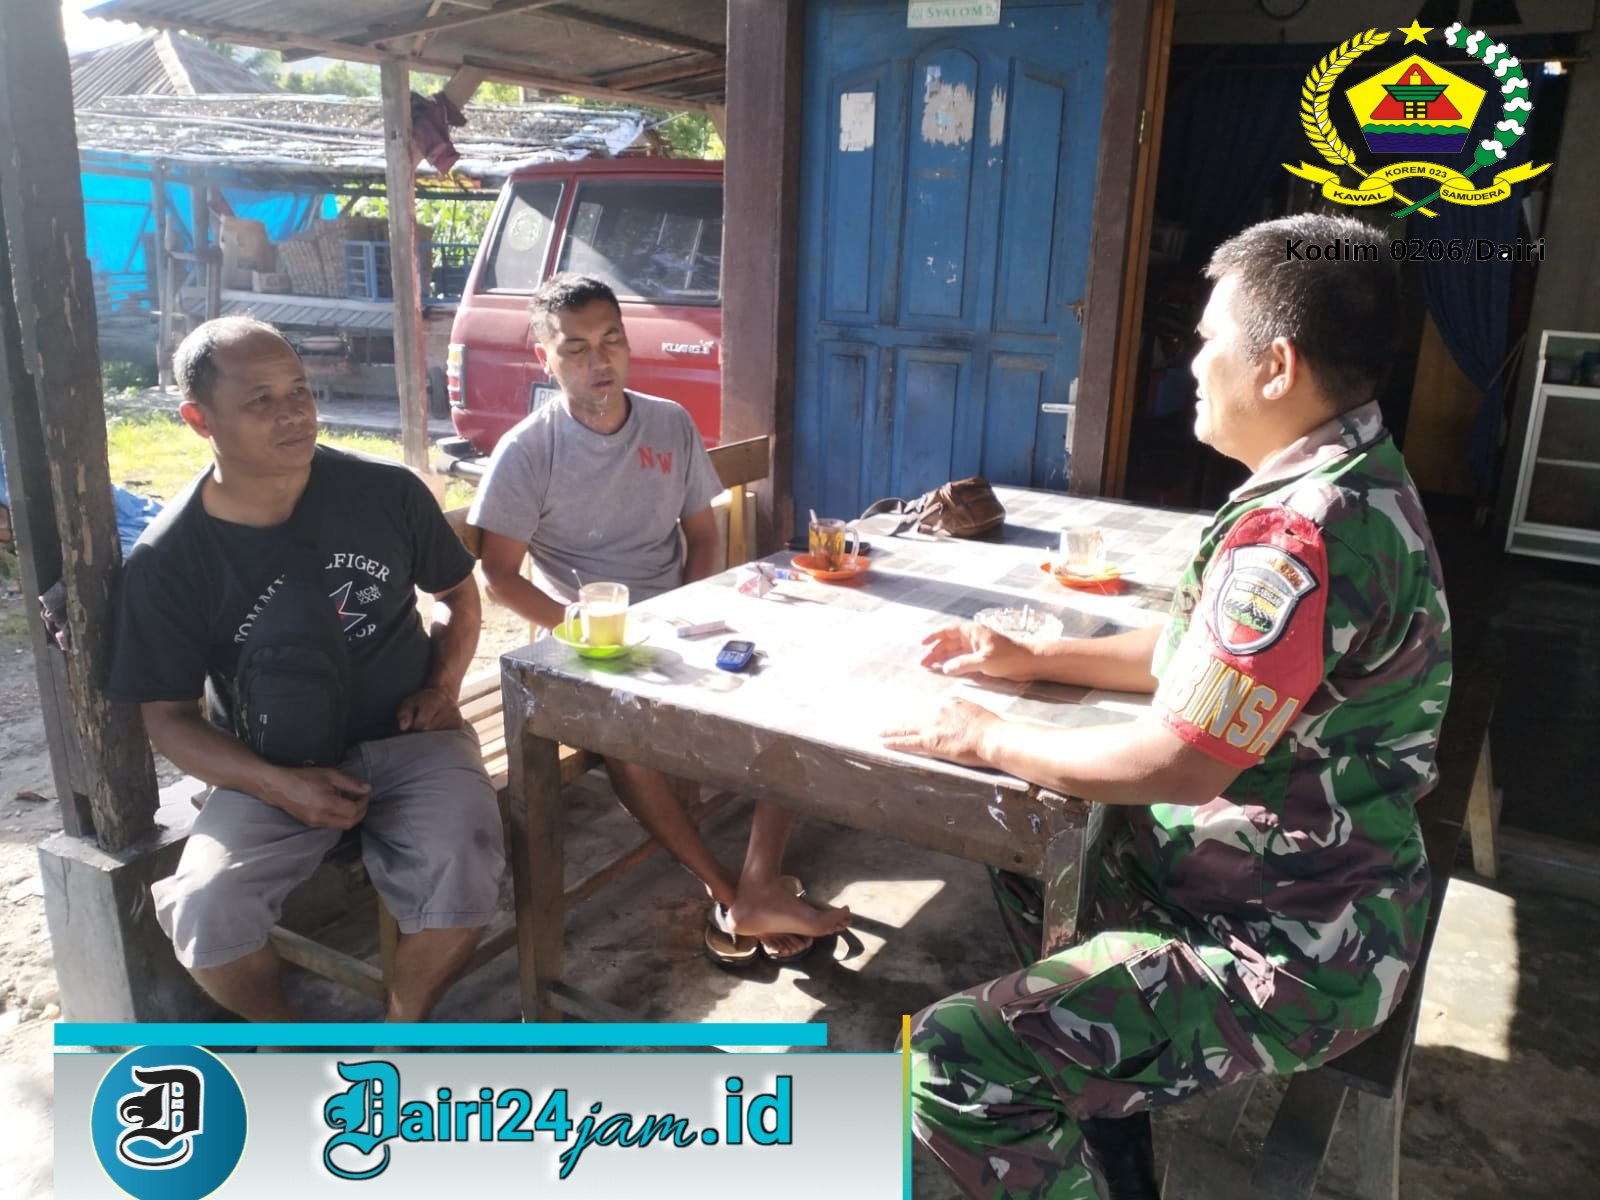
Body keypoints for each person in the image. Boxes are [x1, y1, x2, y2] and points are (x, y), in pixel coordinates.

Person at [881, 213, 1452, 1199]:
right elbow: (1208, 658)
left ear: (1275, 365)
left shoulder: (1299, 532)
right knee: (1025, 849)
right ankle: (1102, 1106)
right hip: (1311, 889)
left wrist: (988, 734)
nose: (1190, 363)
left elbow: (1183, 762)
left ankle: (1062, 1083)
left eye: (1206, 339)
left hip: (1294, 948)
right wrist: (1039, 656)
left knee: (951, 1060)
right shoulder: (1349, 475)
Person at [109, 316, 504, 1023]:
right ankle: (289, 1042)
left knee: (467, 863)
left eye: (298, 390)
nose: (292, 412)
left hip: (413, 740)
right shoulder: (171, 559)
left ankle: (397, 1034)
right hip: (268, 762)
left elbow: (457, 595)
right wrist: (277, 784)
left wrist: (442, 686)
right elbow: (166, 719)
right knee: (205, 911)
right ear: (198, 419)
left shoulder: (386, 492)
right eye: (259, 400)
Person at [468, 273, 849, 965]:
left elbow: (701, 535)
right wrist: (575, 627)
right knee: (625, 742)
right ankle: (725, 890)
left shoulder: (668, 422)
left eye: (611, 340)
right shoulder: (528, 451)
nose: (599, 360)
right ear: (544, 357)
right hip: (589, 644)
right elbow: (497, 575)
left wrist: (692, 608)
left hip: (678, 621)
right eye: (576, 348)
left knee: (797, 696)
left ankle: (760, 879)